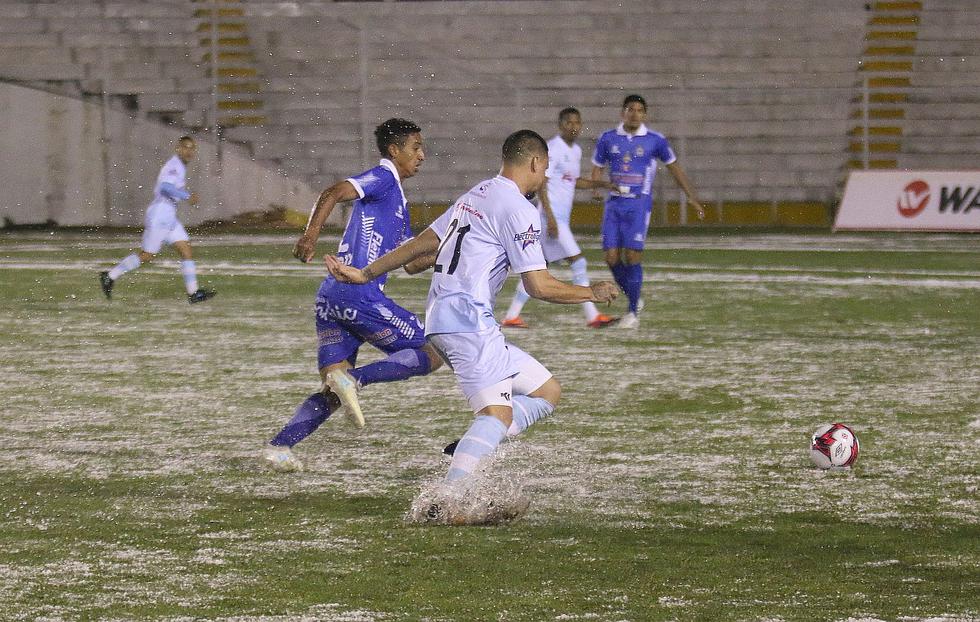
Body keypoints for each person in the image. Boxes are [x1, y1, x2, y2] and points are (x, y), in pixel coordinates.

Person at [325, 130, 618, 515]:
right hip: (469, 324)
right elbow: (538, 285)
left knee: (547, 392)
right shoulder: (518, 208)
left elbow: (423, 243)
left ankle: (472, 446)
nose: (545, 175)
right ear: (535, 162)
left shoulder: (477, 194)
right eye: (545, 167)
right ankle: (446, 499)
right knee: (497, 415)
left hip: (443, 321)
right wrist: (590, 293)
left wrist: (366, 273)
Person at [262, 118, 444, 472]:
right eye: (416, 148)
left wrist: (452, 251)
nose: (422, 155)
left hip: (331, 298)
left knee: (333, 391)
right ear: (394, 150)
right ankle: (357, 379)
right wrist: (310, 236)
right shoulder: (384, 177)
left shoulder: (397, 202)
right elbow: (333, 192)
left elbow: (410, 263)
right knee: (433, 352)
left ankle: (280, 447)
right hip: (359, 295)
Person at [590, 94, 705, 328]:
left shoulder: (655, 140)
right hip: (614, 204)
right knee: (611, 257)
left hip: (638, 204)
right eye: (630, 109)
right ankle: (635, 298)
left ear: (645, 115)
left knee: (632, 256)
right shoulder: (607, 138)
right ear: (623, 113)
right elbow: (597, 167)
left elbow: (674, 168)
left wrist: (691, 197)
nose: (634, 114)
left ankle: (632, 312)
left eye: (639, 110)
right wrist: (595, 188)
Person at [501, 107, 620, 329]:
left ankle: (511, 317)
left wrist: (601, 184)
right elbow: (542, 182)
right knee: (579, 261)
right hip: (551, 217)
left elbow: (572, 180)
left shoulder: (575, 151)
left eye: (577, 123)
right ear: (560, 125)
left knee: (538, 266)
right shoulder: (554, 149)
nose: (573, 127)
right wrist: (550, 217)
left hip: (558, 218)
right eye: (569, 123)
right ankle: (592, 316)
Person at [99, 136, 216, 303]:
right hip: (160, 215)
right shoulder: (174, 165)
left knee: (186, 250)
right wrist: (187, 196)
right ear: (178, 148)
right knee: (147, 255)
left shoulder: (180, 166)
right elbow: (165, 187)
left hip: (169, 217)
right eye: (185, 147)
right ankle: (110, 276)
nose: (189, 151)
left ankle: (194, 293)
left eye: (192, 148)